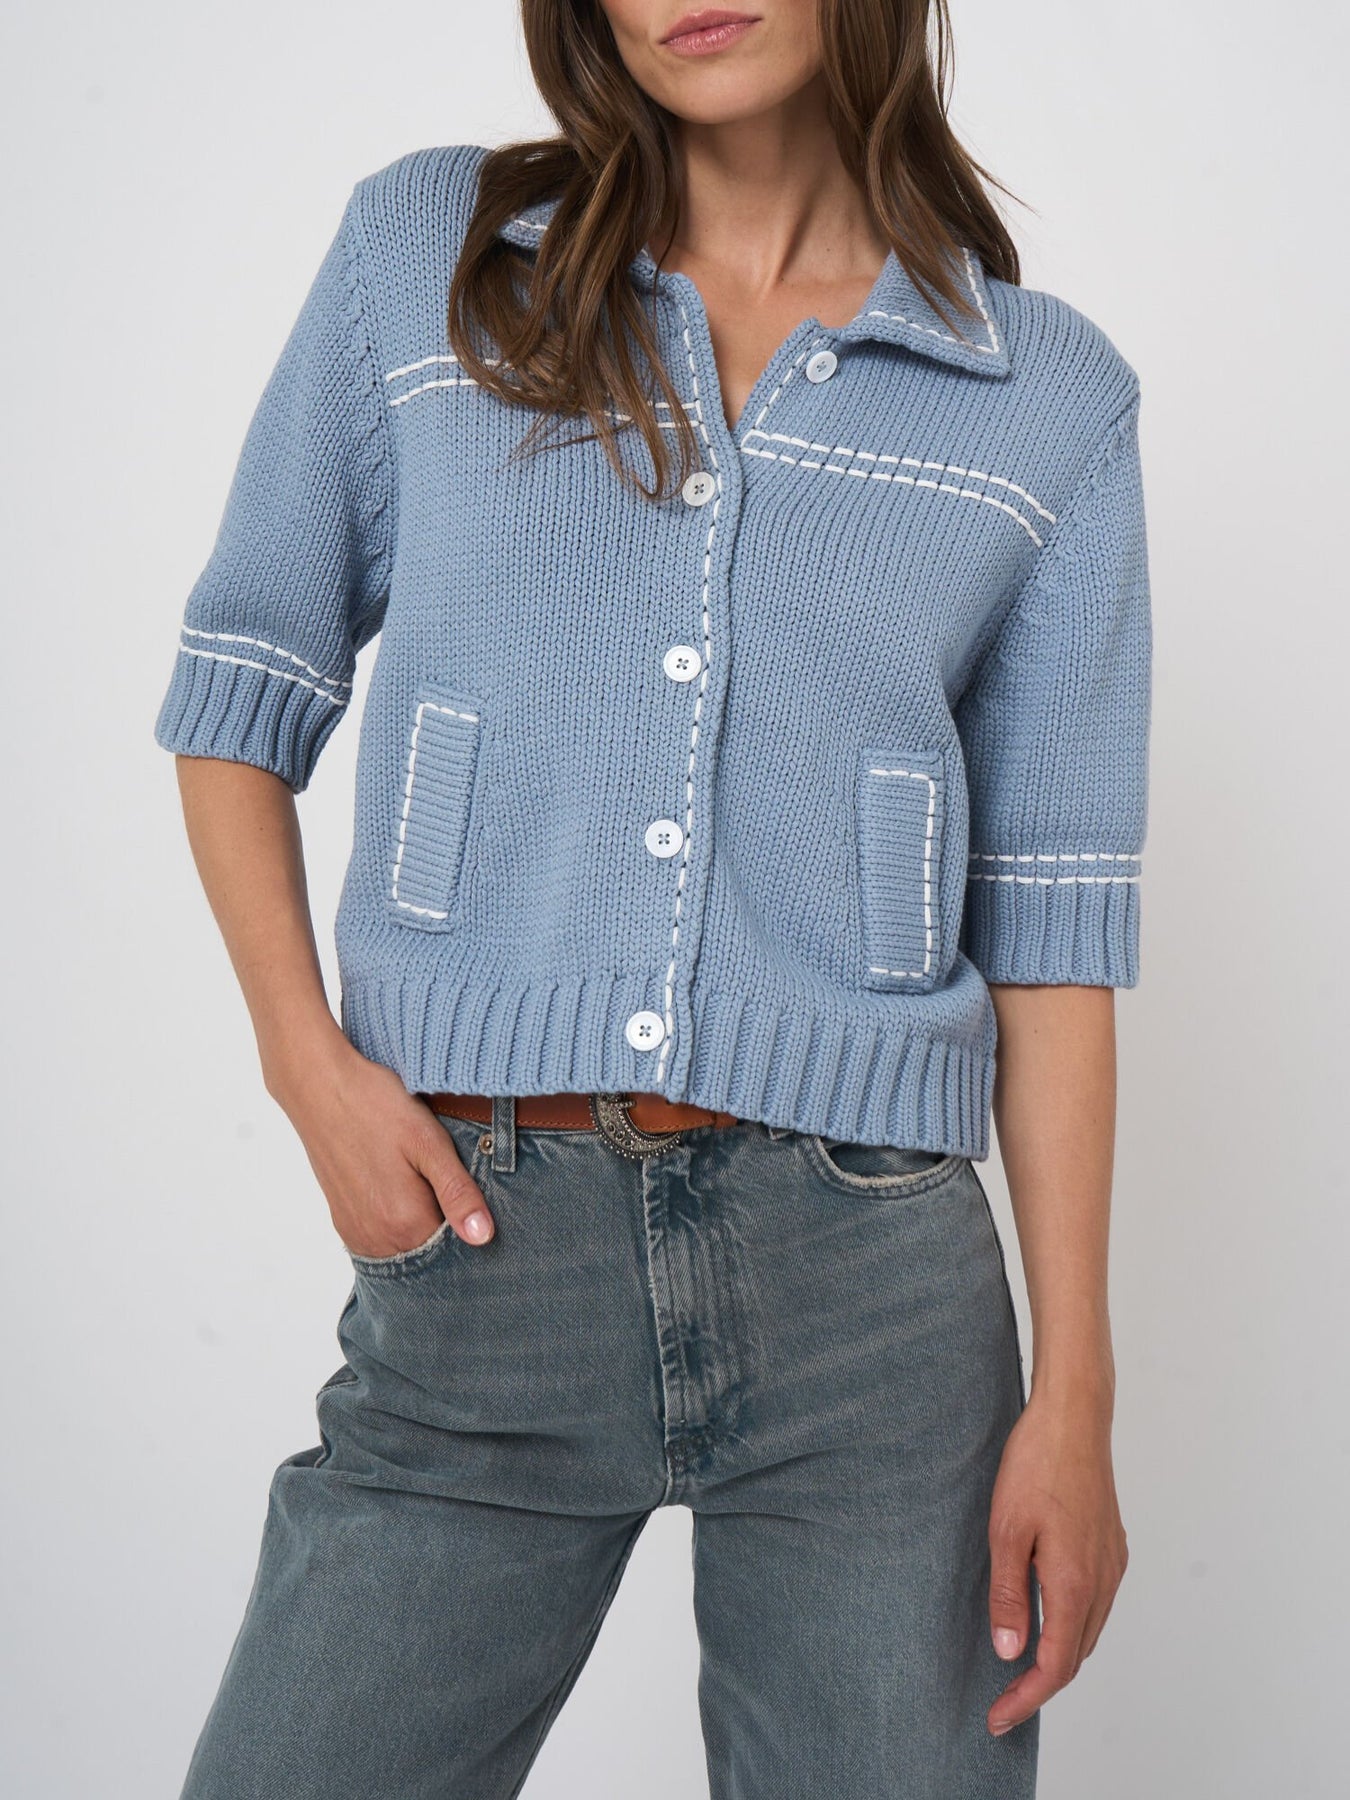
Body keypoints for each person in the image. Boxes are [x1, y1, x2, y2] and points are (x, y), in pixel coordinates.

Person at [152, 2, 1149, 1794]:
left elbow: (1052, 926)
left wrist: (1072, 1391)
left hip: (874, 1292)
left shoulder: (1044, 399)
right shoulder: (434, 262)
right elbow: (243, 685)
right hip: (484, 1240)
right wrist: (310, 1071)